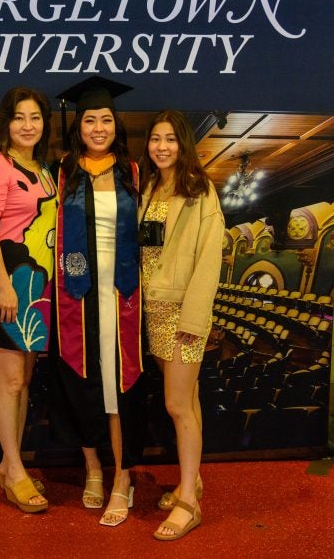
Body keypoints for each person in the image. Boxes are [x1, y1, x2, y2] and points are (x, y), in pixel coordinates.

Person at [51, 79, 145, 527]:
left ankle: (123, 477)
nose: (98, 126)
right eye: (90, 119)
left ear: (115, 123)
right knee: (83, 383)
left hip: (124, 291)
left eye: (106, 119)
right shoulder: (64, 171)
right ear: (79, 126)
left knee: (119, 386)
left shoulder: (132, 171)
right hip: (79, 292)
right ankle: (93, 469)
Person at [0, 86, 58, 514]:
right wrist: (3, 286)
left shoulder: (44, 170)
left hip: (36, 287)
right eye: (19, 117)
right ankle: (16, 473)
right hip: (6, 284)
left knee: (26, 382)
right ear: (6, 122)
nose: (27, 125)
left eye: (35, 117)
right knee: (12, 382)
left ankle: (9, 465)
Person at [137, 110, 224, 541]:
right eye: (156, 139)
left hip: (183, 313)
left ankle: (189, 503)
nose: (162, 146)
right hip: (154, 310)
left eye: (170, 139)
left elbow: (210, 258)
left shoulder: (199, 190)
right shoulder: (151, 186)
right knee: (187, 399)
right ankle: (194, 482)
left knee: (177, 405)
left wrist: (193, 316)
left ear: (183, 143)